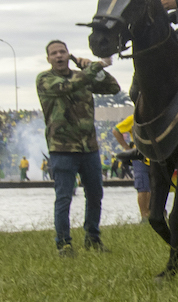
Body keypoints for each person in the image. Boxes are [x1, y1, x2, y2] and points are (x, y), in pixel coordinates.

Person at [37, 40, 120, 254]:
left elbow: (112, 88)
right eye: (54, 53)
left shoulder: (84, 76)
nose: (58, 56)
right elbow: (67, 86)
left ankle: (93, 238)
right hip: (62, 148)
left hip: (88, 147)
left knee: (95, 194)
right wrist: (96, 66)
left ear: (68, 54)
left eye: (62, 52)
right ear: (48, 59)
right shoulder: (45, 79)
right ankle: (63, 243)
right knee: (64, 196)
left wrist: (90, 68)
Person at [113, 114, 151, 221]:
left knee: (153, 188)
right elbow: (116, 130)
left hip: (154, 157)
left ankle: (151, 212)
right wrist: (127, 148)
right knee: (143, 188)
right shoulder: (134, 118)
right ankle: (144, 216)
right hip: (140, 157)